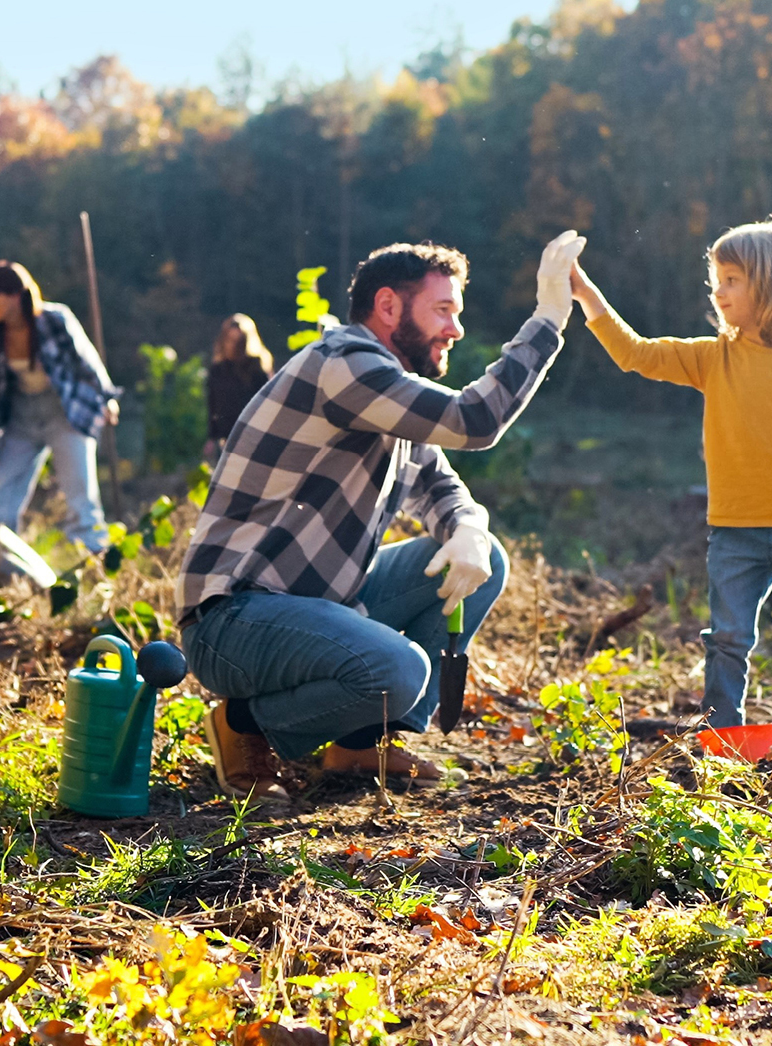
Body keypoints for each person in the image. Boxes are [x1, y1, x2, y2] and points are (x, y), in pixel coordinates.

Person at [176, 231, 586, 801]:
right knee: (401, 670)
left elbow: (441, 485)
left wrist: (469, 526)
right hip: (234, 620)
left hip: (310, 607)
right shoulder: (344, 367)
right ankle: (243, 724)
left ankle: (360, 742)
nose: (456, 328)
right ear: (388, 306)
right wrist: (548, 316)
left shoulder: (388, 394)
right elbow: (474, 421)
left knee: (484, 553)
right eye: (443, 309)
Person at [570, 217, 772, 748]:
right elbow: (635, 353)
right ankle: (721, 737)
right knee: (728, 639)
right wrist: (587, 294)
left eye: (732, 278)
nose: (718, 289)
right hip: (735, 532)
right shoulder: (715, 356)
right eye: (718, 277)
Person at [0, 262, 120, 564]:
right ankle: (3, 570)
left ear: (14, 296)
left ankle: (95, 571)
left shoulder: (54, 319)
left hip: (65, 413)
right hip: (20, 418)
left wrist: (106, 399)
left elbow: (86, 362)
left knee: (81, 499)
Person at [204, 314, 273, 462]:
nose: (233, 346)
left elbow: (268, 403)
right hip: (225, 438)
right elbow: (213, 405)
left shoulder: (257, 368)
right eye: (230, 340)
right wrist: (212, 437)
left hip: (252, 436)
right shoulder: (218, 370)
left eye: (238, 341)